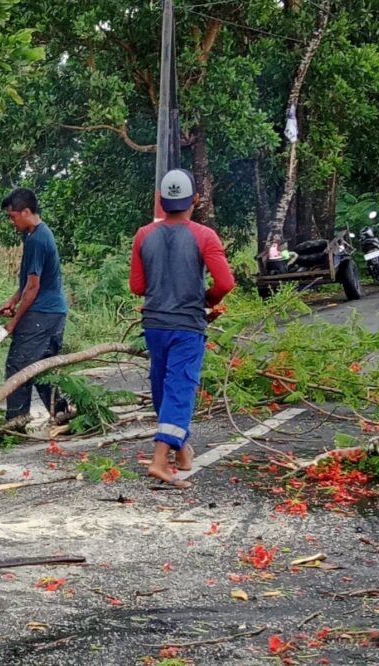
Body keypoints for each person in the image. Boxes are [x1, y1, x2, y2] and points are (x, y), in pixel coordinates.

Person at [130, 168, 235, 488]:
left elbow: (137, 286)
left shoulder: (143, 235)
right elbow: (226, 283)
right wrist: (206, 298)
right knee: (180, 389)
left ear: (161, 201)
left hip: (155, 325)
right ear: (196, 200)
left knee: (163, 388)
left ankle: (182, 449)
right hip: (188, 326)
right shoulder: (205, 236)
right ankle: (160, 461)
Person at [0, 187, 69, 428]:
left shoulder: (38, 239)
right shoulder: (32, 234)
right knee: (40, 365)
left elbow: (34, 287)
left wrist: (14, 322)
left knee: (18, 364)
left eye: (12, 216)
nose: (11, 221)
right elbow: (29, 281)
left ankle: (16, 420)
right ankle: (60, 411)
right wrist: (12, 301)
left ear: (26, 211)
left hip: (43, 312)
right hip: (52, 311)